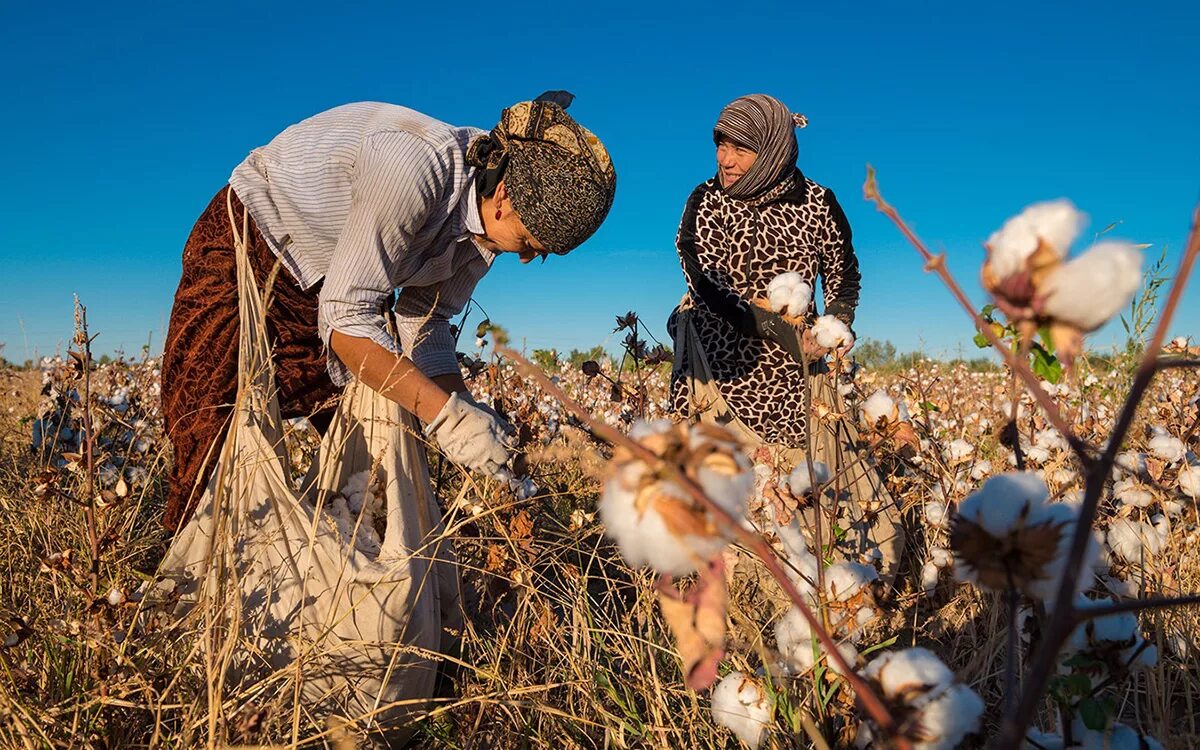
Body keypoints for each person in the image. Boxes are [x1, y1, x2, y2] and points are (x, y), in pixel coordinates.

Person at [161, 95, 616, 531]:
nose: (526, 259)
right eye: (533, 244)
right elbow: (344, 317)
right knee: (208, 430)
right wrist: (445, 417)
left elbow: (427, 322)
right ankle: (188, 589)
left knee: (366, 458)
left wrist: (467, 414)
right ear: (503, 197)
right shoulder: (414, 166)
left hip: (337, 283)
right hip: (251, 245)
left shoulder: (481, 242)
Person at [669, 93, 903, 574]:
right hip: (723, 373)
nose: (725, 159)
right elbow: (706, 283)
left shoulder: (818, 203)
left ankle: (844, 596)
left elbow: (844, 275)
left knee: (817, 494)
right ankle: (746, 611)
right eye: (720, 144)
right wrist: (780, 332)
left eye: (741, 148)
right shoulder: (706, 202)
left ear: (773, 149)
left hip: (801, 379)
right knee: (736, 505)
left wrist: (833, 327)